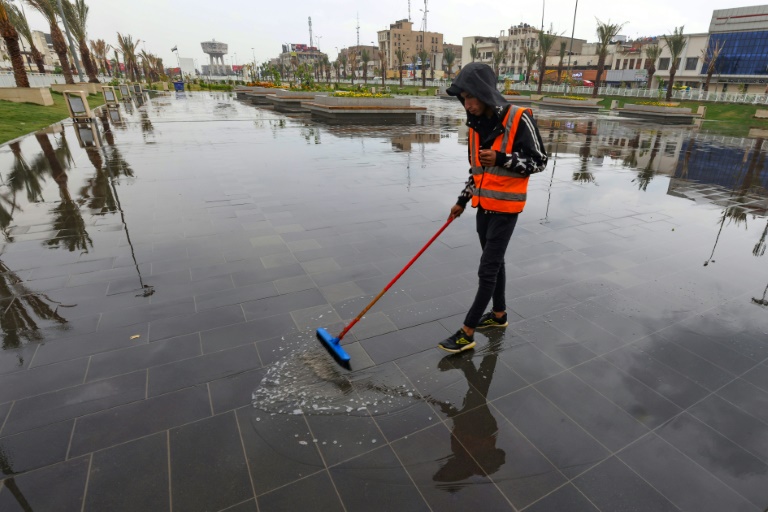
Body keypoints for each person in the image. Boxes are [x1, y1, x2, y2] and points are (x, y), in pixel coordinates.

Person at [438, 62, 548, 353]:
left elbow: (539, 162)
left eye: (471, 96)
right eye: (463, 98)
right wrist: (462, 201)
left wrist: (501, 158)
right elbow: (476, 171)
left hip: (506, 210)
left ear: (484, 93)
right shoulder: (474, 128)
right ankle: (499, 315)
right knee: (494, 262)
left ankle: (467, 331)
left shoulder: (519, 118)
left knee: (487, 269)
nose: (467, 103)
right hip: (483, 207)